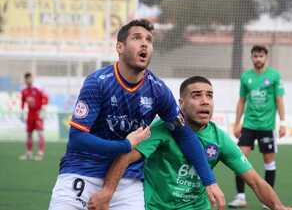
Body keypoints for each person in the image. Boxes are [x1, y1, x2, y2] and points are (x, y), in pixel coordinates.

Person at [48, 19, 223, 210]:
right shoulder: (98, 82)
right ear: (120, 47)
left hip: (127, 182)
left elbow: (185, 135)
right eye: (137, 38)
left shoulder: (158, 90)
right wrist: (125, 145)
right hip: (82, 172)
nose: (144, 43)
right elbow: (77, 138)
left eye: (149, 40)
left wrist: (209, 180)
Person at [87, 76, 292, 210]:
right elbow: (124, 157)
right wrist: (107, 192)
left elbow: (255, 181)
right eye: (197, 96)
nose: (205, 101)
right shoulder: (162, 129)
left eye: (209, 96)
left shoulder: (219, 138)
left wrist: (278, 206)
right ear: (181, 103)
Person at [228, 45, 287, 209]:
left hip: (267, 126)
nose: (258, 59)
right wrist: (237, 122)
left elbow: (279, 100)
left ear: (266, 57)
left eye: (260, 56)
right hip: (249, 125)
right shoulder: (246, 76)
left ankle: (268, 201)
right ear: (251, 57)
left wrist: (283, 123)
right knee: (239, 158)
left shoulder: (274, 76)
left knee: (269, 162)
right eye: (255, 56)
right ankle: (240, 197)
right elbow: (241, 101)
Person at [19, 72, 48, 161]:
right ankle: (29, 153)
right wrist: (23, 111)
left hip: (38, 115)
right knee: (29, 134)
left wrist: (43, 109)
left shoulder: (38, 89)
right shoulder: (24, 91)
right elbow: (23, 102)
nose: (29, 80)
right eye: (27, 78)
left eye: (30, 78)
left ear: (32, 79)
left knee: (40, 134)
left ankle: (40, 153)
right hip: (30, 115)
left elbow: (46, 98)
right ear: (25, 80)